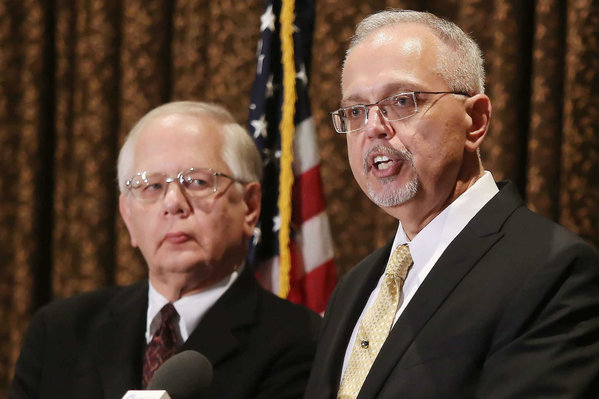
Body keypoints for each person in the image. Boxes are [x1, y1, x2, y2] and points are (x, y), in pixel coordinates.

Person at [304, 9, 599, 399]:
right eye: (356, 110)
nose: (373, 127)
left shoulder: (554, 271)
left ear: (475, 120)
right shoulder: (355, 287)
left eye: (402, 100)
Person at [10, 101, 321, 399]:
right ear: (127, 215)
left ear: (250, 206)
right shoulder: (59, 331)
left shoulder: (303, 340)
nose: (173, 203)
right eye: (152, 186)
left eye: (198, 182)